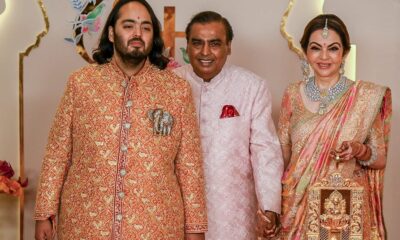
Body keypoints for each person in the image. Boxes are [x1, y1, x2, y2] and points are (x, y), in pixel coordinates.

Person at [34, 0, 207, 239]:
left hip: (156, 225)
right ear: (112, 33)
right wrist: (45, 212)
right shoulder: (81, 84)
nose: (138, 33)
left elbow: (190, 166)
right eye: (128, 26)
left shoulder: (176, 90)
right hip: (85, 223)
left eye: (146, 27)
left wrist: (195, 229)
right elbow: (57, 152)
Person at [278, 14, 392, 239]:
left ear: (344, 53)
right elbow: (282, 156)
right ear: (305, 51)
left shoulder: (363, 96)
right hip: (299, 205)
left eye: (332, 48)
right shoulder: (292, 93)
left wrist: (359, 150)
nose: (324, 56)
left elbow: (379, 159)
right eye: (315, 48)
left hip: (347, 210)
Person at [174, 11, 283, 240]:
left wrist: (269, 207)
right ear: (188, 46)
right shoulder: (169, 84)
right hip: (177, 207)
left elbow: (265, 151)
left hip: (234, 214)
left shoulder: (251, 87)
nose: (205, 52)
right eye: (197, 43)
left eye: (214, 44)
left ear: (228, 46)